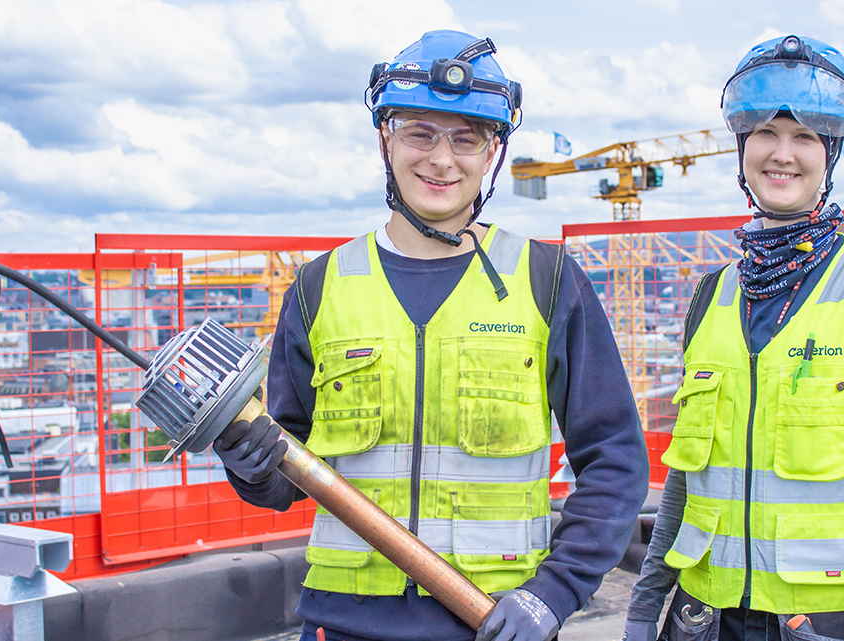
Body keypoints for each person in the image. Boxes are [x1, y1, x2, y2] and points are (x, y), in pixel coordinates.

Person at [211, 30, 650, 641]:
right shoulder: (319, 288)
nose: (441, 159)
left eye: (466, 137)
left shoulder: (547, 283)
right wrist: (252, 467)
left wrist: (552, 595)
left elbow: (616, 460)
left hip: (492, 621)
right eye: (420, 131)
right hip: (342, 623)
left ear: (493, 150)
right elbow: (287, 474)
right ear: (385, 137)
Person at [622, 35, 844, 641]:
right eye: (765, 134)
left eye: (804, 138)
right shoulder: (710, 295)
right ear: (742, 149)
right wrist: (642, 615)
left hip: (820, 625)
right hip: (701, 620)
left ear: (829, 155)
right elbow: (685, 485)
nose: (782, 154)